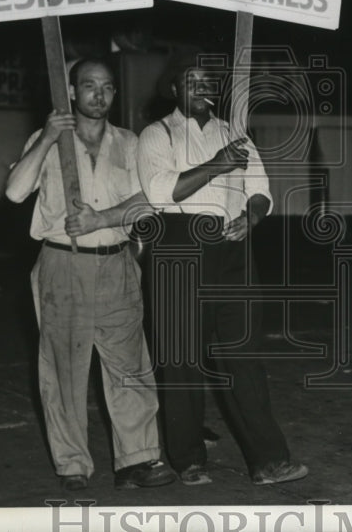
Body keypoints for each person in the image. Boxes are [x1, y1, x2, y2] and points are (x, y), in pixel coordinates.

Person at [135, 52, 308, 487]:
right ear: (174, 89)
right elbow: (161, 193)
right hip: (179, 247)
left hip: (232, 250)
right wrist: (218, 164)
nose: (201, 87)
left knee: (243, 356)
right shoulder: (156, 135)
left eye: (207, 80)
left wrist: (250, 216)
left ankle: (268, 460)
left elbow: (261, 190)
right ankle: (188, 459)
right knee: (181, 360)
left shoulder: (235, 133)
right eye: (191, 80)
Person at [5, 58, 175, 491]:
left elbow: (149, 200)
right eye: (89, 86)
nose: (99, 95)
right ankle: (73, 463)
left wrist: (103, 219)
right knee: (64, 367)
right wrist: (47, 136)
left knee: (129, 364)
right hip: (63, 264)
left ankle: (137, 460)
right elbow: (14, 191)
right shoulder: (48, 140)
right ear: (72, 92)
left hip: (116, 262)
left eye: (107, 87)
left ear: (114, 94)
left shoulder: (132, 143)